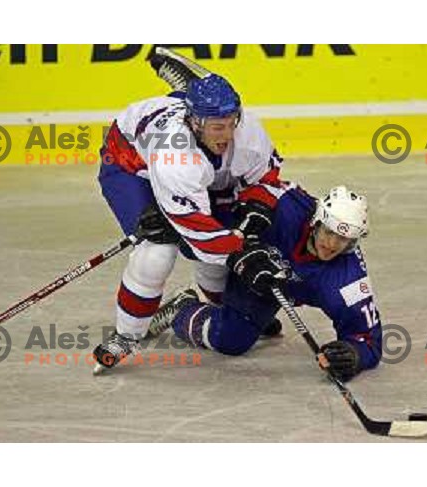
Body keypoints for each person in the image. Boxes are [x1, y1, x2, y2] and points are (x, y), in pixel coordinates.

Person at [93, 49, 285, 371]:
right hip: (131, 165)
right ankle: (126, 336)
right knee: (158, 251)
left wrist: (255, 213)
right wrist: (246, 255)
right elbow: (202, 238)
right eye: (216, 127)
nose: (227, 134)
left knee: (232, 230)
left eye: (230, 123)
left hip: (187, 157)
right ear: (194, 122)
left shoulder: (246, 130)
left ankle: (223, 308)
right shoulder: (175, 157)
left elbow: (267, 179)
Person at [148, 184, 383, 382]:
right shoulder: (286, 208)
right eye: (328, 232)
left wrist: (354, 355)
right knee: (230, 339)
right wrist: (179, 217)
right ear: (316, 222)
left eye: (343, 239)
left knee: (236, 332)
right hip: (253, 268)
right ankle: (182, 307)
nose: (331, 244)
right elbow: (243, 192)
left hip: (281, 285)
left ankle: (255, 318)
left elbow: (369, 339)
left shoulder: (348, 279)